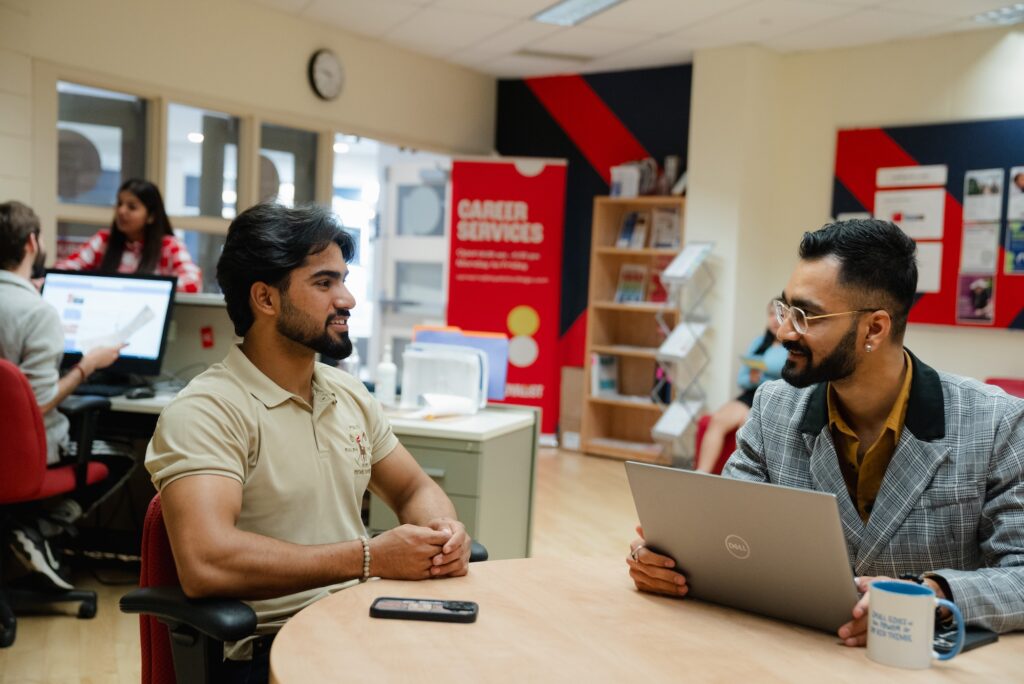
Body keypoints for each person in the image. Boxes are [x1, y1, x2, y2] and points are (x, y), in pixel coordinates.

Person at [628, 218, 1024, 645]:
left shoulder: (996, 423)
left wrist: (932, 595)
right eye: (785, 309)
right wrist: (668, 563)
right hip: (786, 657)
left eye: (807, 316)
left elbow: (1020, 575)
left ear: (875, 328)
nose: (783, 331)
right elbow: (730, 540)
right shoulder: (773, 407)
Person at [145, 202, 472, 683]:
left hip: (361, 623)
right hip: (272, 648)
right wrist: (371, 557)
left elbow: (412, 489)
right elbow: (206, 561)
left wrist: (441, 536)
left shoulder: (348, 395)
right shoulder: (207, 411)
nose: (347, 299)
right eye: (324, 283)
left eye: (343, 279)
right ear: (265, 298)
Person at [0, 201, 134, 590]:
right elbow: (38, 402)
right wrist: (87, 366)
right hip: (27, 458)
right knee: (122, 457)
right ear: (31, 243)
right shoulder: (37, 312)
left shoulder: (29, 302)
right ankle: (36, 530)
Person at [55, 179, 202, 292]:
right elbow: (64, 269)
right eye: (119, 204)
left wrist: (140, 288)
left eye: (132, 207)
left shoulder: (169, 246)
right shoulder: (104, 240)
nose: (121, 211)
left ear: (151, 216)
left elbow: (193, 283)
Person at [694, 301, 786, 473]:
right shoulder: (758, 343)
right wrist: (752, 379)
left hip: (774, 397)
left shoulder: (792, 347)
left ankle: (737, 476)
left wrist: (763, 377)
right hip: (751, 393)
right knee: (718, 420)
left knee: (746, 423)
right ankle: (701, 473)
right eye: (771, 314)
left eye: (780, 315)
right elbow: (742, 379)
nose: (774, 319)